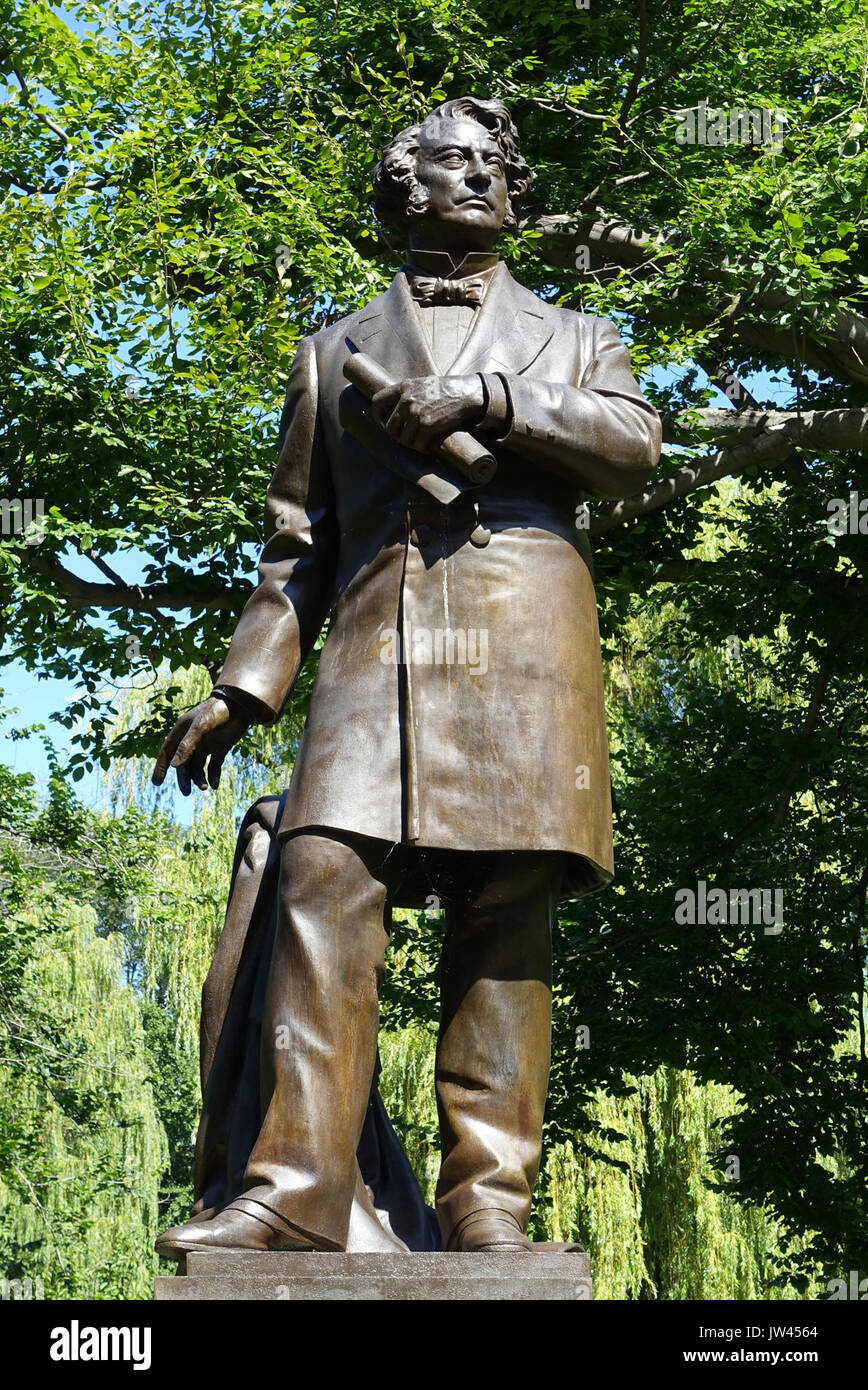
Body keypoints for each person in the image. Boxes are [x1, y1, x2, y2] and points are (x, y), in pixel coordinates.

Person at [152, 96, 661, 1257]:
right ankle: (294, 1182)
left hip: (525, 650)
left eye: (493, 165)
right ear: (400, 188)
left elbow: (634, 446)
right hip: (373, 648)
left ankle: (488, 1199)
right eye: (449, 162)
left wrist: (490, 401)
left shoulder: (578, 337)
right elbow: (298, 546)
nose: (477, 178)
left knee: (503, 913)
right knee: (320, 870)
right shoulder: (332, 353)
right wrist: (242, 688)